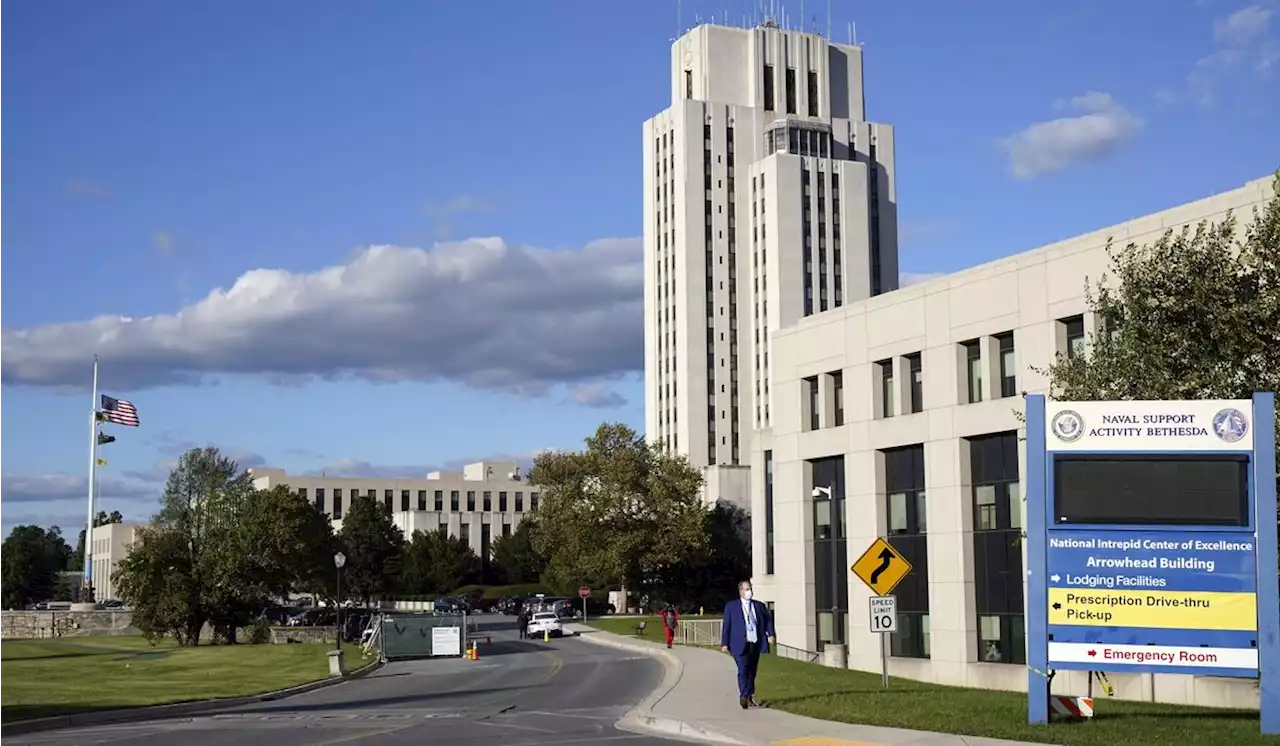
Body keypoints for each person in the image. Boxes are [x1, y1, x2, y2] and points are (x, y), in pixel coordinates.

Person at [720, 579, 774, 710]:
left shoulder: (759, 606)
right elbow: (726, 626)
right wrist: (724, 643)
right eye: (746, 589)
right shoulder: (732, 606)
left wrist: (770, 634)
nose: (749, 591)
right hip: (739, 644)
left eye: (750, 588)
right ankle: (744, 696)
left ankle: (749, 696)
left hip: (754, 643)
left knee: (752, 671)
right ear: (740, 591)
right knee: (743, 669)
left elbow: (767, 620)